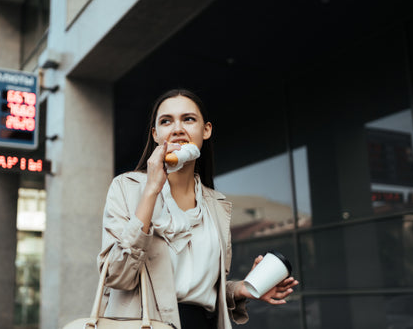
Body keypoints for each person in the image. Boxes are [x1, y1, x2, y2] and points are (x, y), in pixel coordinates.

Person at [97, 89, 299, 329]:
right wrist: (151, 190)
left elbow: (201, 288)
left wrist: (241, 289)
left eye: (188, 119)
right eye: (166, 121)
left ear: (206, 130)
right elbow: (116, 276)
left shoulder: (216, 204)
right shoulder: (126, 187)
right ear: (155, 135)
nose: (178, 129)